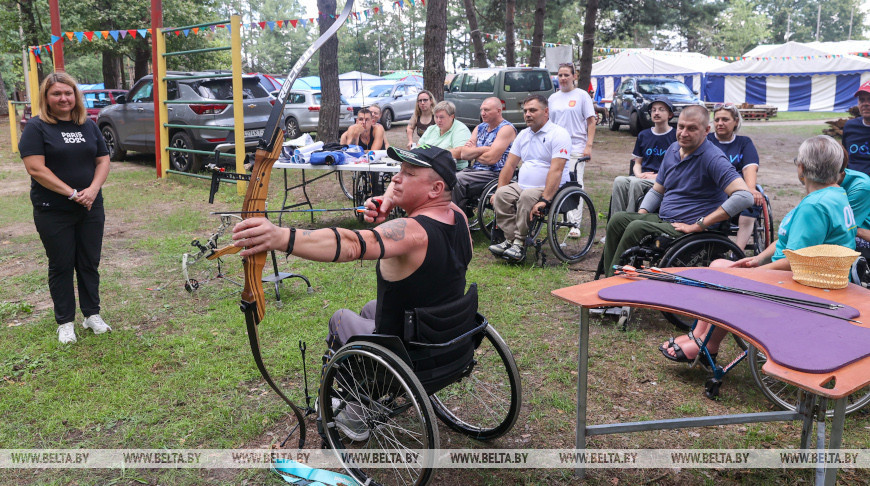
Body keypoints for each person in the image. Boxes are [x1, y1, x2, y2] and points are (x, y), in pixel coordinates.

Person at [660, 135, 857, 365]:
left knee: (725, 275)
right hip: (816, 277)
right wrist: (758, 259)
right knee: (719, 268)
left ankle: (707, 344)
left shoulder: (814, 206)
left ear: (801, 168)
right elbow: (788, 240)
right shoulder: (835, 195)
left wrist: (754, 273)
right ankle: (699, 338)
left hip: (803, 284)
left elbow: (795, 261)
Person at [599, 105, 753, 277]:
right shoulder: (672, 149)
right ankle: (607, 274)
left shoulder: (713, 158)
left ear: (706, 130)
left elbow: (744, 196)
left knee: (636, 227)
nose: (684, 133)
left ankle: (612, 283)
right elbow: (657, 191)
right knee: (618, 220)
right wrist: (642, 213)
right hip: (665, 219)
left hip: (688, 228)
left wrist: (698, 225)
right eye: (681, 127)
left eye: (692, 128)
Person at [19, 72, 112, 344]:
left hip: (90, 206)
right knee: (61, 264)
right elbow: (36, 168)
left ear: (76, 96)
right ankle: (65, 322)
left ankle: (91, 314)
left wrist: (92, 190)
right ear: (46, 98)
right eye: (56, 93)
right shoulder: (37, 127)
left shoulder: (88, 125)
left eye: (68, 93)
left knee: (89, 262)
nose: (63, 98)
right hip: (53, 209)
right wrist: (72, 193)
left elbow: (103, 160)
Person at [488, 95, 572, 262]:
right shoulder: (523, 135)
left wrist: (545, 200)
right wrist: (498, 190)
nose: (527, 114)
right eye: (525, 110)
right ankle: (511, 240)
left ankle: (519, 242)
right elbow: (509, 166)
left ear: (546, 112)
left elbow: (557, 170)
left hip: (549, 187)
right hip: (523, 185)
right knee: (502, 194)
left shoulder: (559, 134)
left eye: (533, 110)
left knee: (526, 197)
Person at [549, 62, 596, 238]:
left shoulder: (582, 96)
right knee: (558, 182)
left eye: (566, 75)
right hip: (557, 147)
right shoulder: (553, 98)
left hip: (576, 146)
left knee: (575, 182)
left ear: (574, 76)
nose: (563, 78)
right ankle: (562, 218)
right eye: (560, 75)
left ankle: (574, 223)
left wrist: (588, 146)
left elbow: (591, 122)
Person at [707, 103, 763, 250]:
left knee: (752, 201)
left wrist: (750, 188)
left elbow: (749, 167)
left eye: (725, 119)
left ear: (736, 121)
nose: (720, 123)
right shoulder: (705, 141)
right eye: (717, 119)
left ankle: (737, 253)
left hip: (737, 188)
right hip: (711, 188)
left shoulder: (743, 142)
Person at [609, 97, 676, 215]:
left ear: (670, 114)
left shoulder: (675, 136)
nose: (656, 113)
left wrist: (656, 176)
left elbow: (677, 166)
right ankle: (615, 221)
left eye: (661, 109)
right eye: (653, 110)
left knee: (635, 184)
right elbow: (637, 163)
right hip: (643, 176)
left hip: (663, 179)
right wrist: (639, 174)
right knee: (619, 181)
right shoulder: (643, 135)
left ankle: (629, 222)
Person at [453, 97, 517, 215]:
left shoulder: (506, 129)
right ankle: (453, 215)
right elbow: (464, 153)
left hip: (495, 173)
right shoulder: (480, 127)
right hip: (475, 171)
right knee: (446, 176)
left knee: (457, 180)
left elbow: (491, 159)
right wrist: (483, 149)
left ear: (499, 111)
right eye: (481, 110)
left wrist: (473, 152)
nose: (482, 113)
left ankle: (456, 220)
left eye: (486, 110)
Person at [417, 101, 472, 170]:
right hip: (429, 166)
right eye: (436, 117)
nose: (438, 120)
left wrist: (431, 153)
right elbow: (419, 147)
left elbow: (459, 152)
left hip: (451, 170)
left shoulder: (461, 129)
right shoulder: (431, 129)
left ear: (452, 116)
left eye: (441, 117)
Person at [842, 80, 870, 176]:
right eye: (862, 100)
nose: (865, 104)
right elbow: (844, 157)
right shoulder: (850, 126)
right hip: (851, 180)